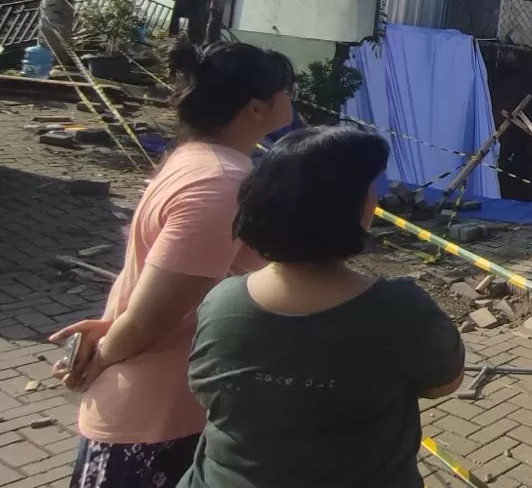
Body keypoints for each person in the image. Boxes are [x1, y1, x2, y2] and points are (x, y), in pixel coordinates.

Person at [52, 40, 296, 488]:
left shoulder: (200, 160)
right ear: (257, 109)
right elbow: (156, 317)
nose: (292, 100)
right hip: (157, 420)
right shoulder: (221, 184)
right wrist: (97, 361)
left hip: (162, 405)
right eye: (287, 91)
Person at [181, 126, 465, 488]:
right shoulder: (400, 310)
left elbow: (207, 390)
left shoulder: (221, 302)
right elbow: (444, 383)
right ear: (359, 209)